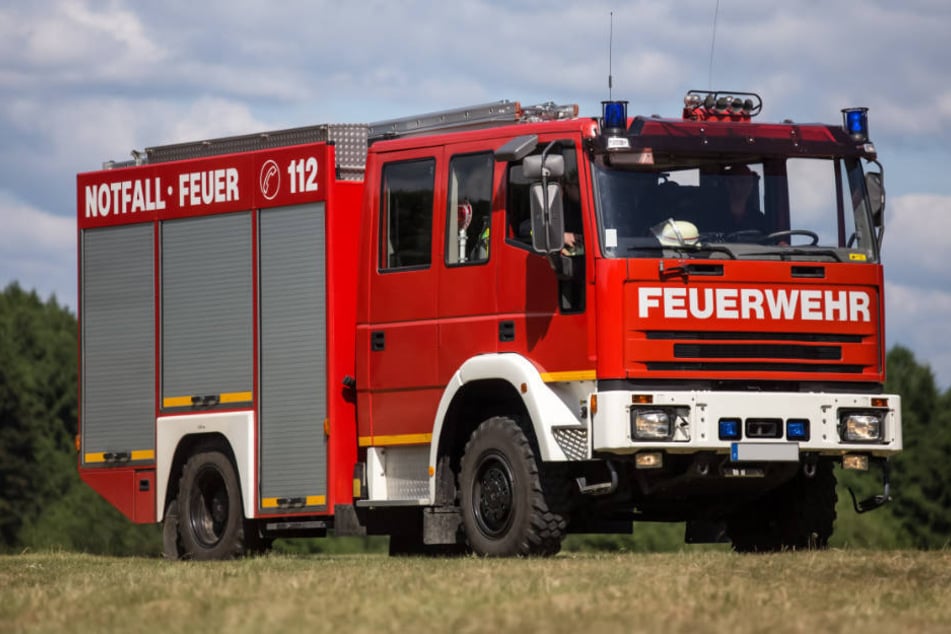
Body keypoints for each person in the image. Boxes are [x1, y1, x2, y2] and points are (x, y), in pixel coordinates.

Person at [715, 164, 766, 234]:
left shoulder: (759, 218)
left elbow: (771, 240)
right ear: (727, 184)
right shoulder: (713, 215)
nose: (738, 187)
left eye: (747, 181)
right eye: (741, 181)